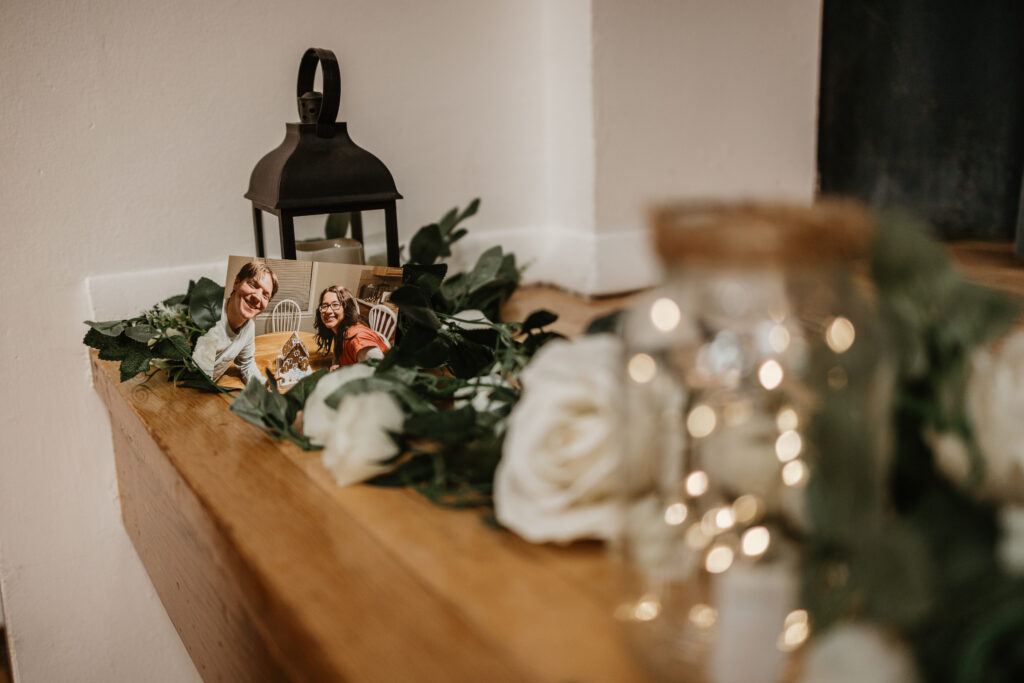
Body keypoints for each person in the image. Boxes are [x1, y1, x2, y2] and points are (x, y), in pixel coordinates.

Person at [193, 261, 279, 385]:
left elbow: (246, 363)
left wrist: (262, 384)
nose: (257, 297)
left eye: (265, 295)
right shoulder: (206, 313)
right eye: (253, 285)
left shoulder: (249, 327)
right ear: (236, 283)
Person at [313, 285, 388, 368]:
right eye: (325, 306)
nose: (328, 311)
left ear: (346, 308)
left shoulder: (359, 339)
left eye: (335, 305)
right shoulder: (338, 329)